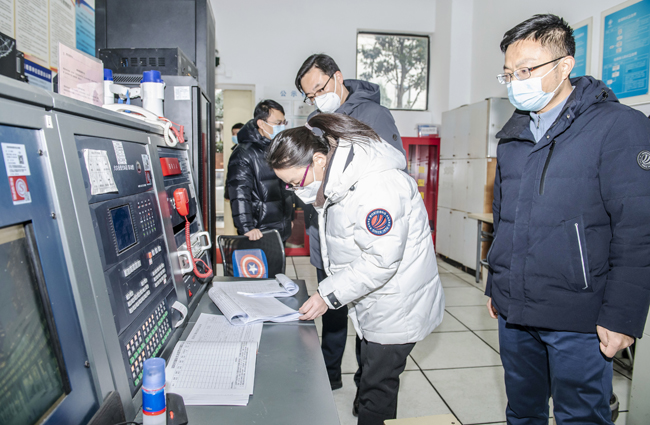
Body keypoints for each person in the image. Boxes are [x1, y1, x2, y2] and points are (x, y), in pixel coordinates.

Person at [487, 14, 650, 425]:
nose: (516, 81)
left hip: (579, 315)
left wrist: (622, 316)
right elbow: (503, 217)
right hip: (515, 309)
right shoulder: (513, 134)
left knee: (581, 416)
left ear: (564, 66)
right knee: (522, 411)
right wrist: (497, 285)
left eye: (526, 70)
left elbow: (637, 230)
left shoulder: (619, 127)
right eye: (509, 73)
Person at [267, 113, 444, 425]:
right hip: (375, 299)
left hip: (396, 304)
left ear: (319, 159)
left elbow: (380, 260)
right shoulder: (341, 179)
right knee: (371, 377)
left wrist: (327, 295)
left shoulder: (376, 186)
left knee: (378, 390)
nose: (294, 189)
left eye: (295, 182)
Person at [294, 53, 407, 399]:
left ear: (338, 77)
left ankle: (364, 386)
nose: (317, 98)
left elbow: (389, 177)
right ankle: (329, 376)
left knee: (364, 315)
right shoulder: (316, 123)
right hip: (326, 237)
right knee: (330, 309)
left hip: (361, 239)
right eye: (310, 96)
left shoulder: (373, 115)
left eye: (320, 88)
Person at [226, 100, 293, 241]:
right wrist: (246, 227)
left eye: (284, 123)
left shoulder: (278, 148)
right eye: (278, 123)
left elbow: (286, 188)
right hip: (259, 231)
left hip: (280, 227)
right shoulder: (244, 153)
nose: (281, 127)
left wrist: (289, 219)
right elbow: (239, 193)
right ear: (261, 124)